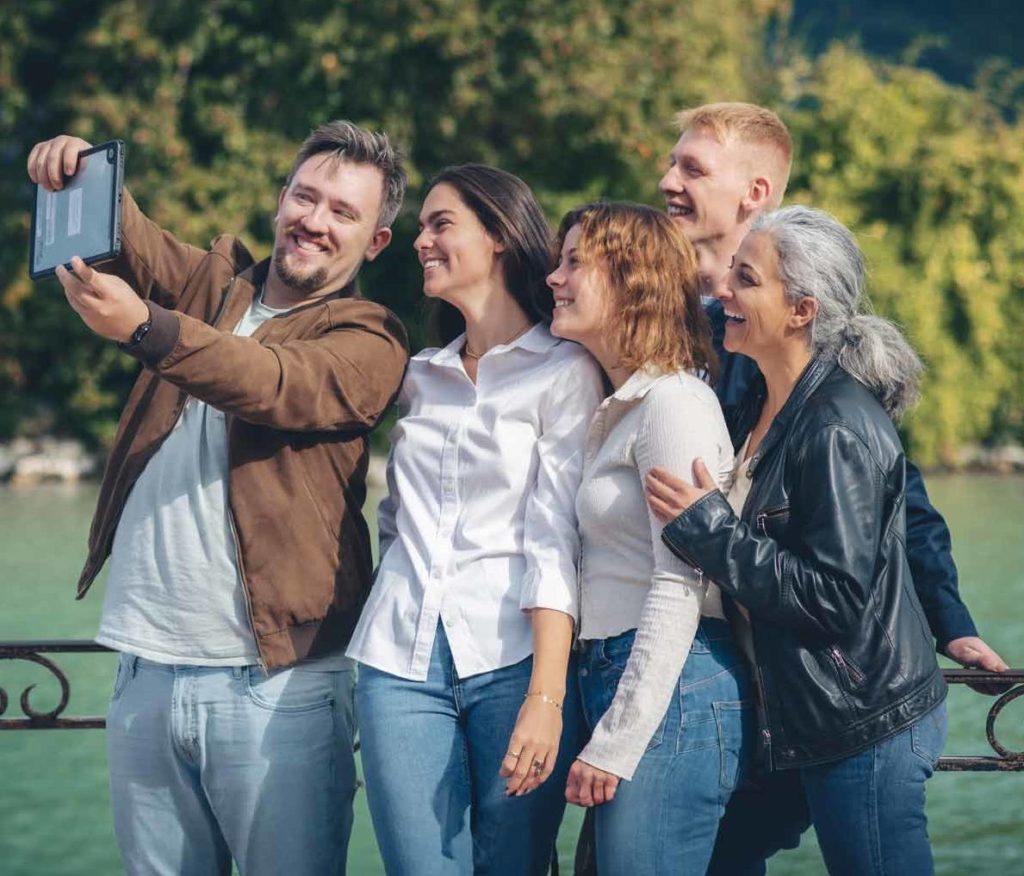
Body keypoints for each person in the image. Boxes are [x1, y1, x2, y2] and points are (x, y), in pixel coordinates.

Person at [27, 122, 409, 875]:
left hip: (277, 687)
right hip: (142, 671)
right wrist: (73, 165)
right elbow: (130, 234)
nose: (315, 220)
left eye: (342, 212)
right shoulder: (216, 284)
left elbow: (267, 381)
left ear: (376, 244)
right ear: (280, 200)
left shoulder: (372, 338)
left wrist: (143, 325)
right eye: (305, 196)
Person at [654, 102, 1008, 874]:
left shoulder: (817, 372)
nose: (666, 181)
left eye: (690, 168)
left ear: (754, 191)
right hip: (747, 684)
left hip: (835, 698)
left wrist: (948, 618)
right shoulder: (658, 299)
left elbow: (892, 504)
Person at [346, 164, 604, 875]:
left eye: (440, 224)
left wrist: (547, 698)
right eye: (421, 226)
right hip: (397, 659)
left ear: (497, 235)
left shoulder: (565, 372)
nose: (420, 240)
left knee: (513, 866)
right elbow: (394, 520)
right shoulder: (419, 375)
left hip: (515, 661)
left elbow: (557, 545)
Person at [547, 201, 753, 873]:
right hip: (621, 677)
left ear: (634, 282)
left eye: (575, 262)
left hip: (675, 686)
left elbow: (682, 583)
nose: (555, 277)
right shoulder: (622, 405)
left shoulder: (674, 404)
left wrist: (617, 739)